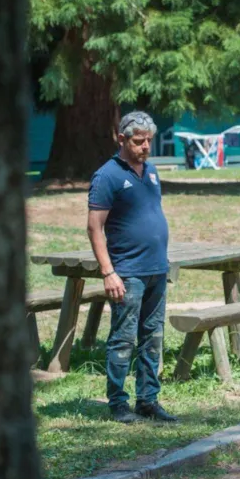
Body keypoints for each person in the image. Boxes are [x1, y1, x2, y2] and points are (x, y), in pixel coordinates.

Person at [88, 111, 177, 423]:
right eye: (139, 141)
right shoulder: (107, 176)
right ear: (122, 139)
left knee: (153, 337)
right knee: (123, 339)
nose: (146, 146)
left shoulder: (151, 171)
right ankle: (118, 404)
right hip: (128, 273)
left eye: (149, 140)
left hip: (156, 268)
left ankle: (148, 401)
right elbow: (95, 228)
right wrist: (108, 272)